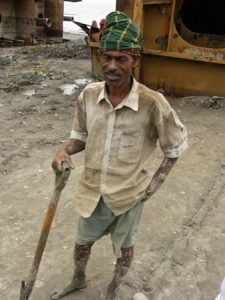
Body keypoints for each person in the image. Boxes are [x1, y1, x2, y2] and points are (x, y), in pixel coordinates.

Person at [50, 10, 188, 300]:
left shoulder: (153, 104)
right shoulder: (88, 95)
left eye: (121, 59)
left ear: (135, 60)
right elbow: (81, 136)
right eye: (106, 57)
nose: (112, 66)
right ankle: (78, 279)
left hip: (129, 197)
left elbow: (174, 149)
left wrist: (150, 189)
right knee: (81, 242)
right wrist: (64, 150)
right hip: (92, 192)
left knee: (125, 248)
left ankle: (114, 288)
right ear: (100, 57)